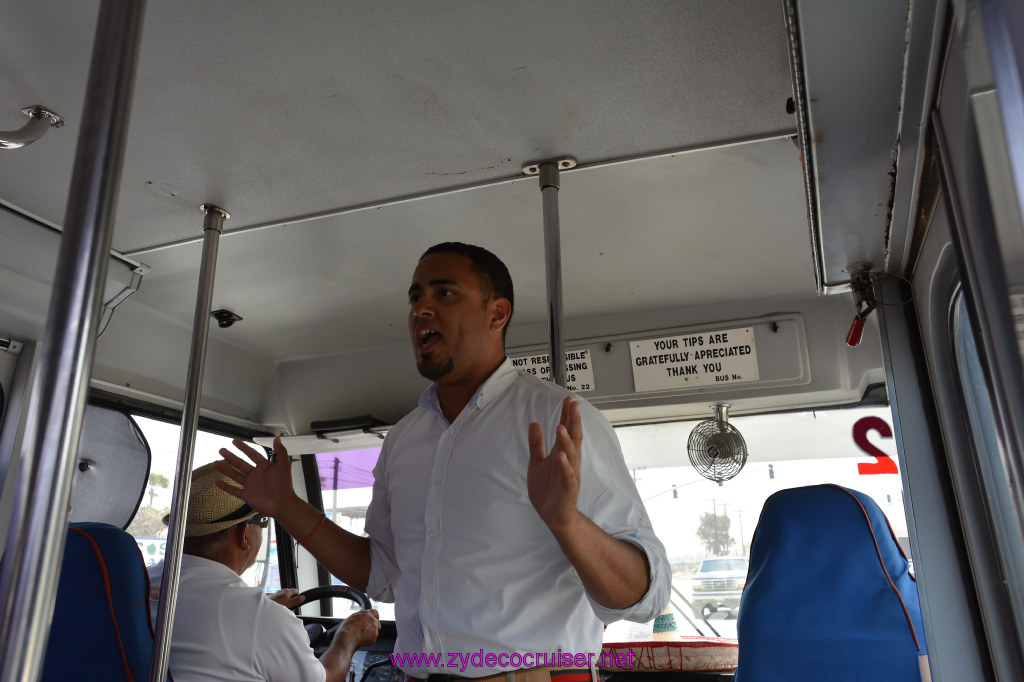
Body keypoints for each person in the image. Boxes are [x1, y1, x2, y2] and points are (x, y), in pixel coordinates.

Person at [216, 242, 670, 680]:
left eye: (444, 293)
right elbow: (383, 574)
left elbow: (642, 597)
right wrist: (287, 507)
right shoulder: (403, 440)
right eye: (415, 298)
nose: (421, 310)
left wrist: (567, 523)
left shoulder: (560, 421)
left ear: (498, 313)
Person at [148, 462, 380, 682]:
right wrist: (348, 635)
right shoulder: (261, 616)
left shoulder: (142, 580)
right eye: (264, 522)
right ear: (245, 535)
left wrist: (267, 610)